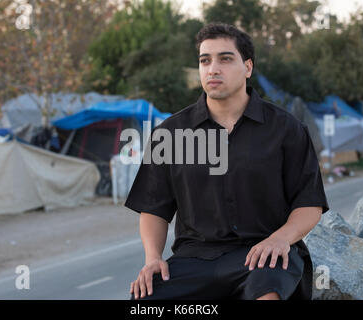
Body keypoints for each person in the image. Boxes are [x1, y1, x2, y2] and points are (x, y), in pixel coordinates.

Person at [124, 22, 329, 300]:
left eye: (225, 59)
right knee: (145, 299)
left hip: (264, 253)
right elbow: (154, 208)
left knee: (266, 290)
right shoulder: (171, 133)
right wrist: (152, 258)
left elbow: (309, 203)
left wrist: (281, 239)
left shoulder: (286, 129)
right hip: (195, 259)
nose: (213, 68)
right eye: (205, 60)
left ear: (248, 67)